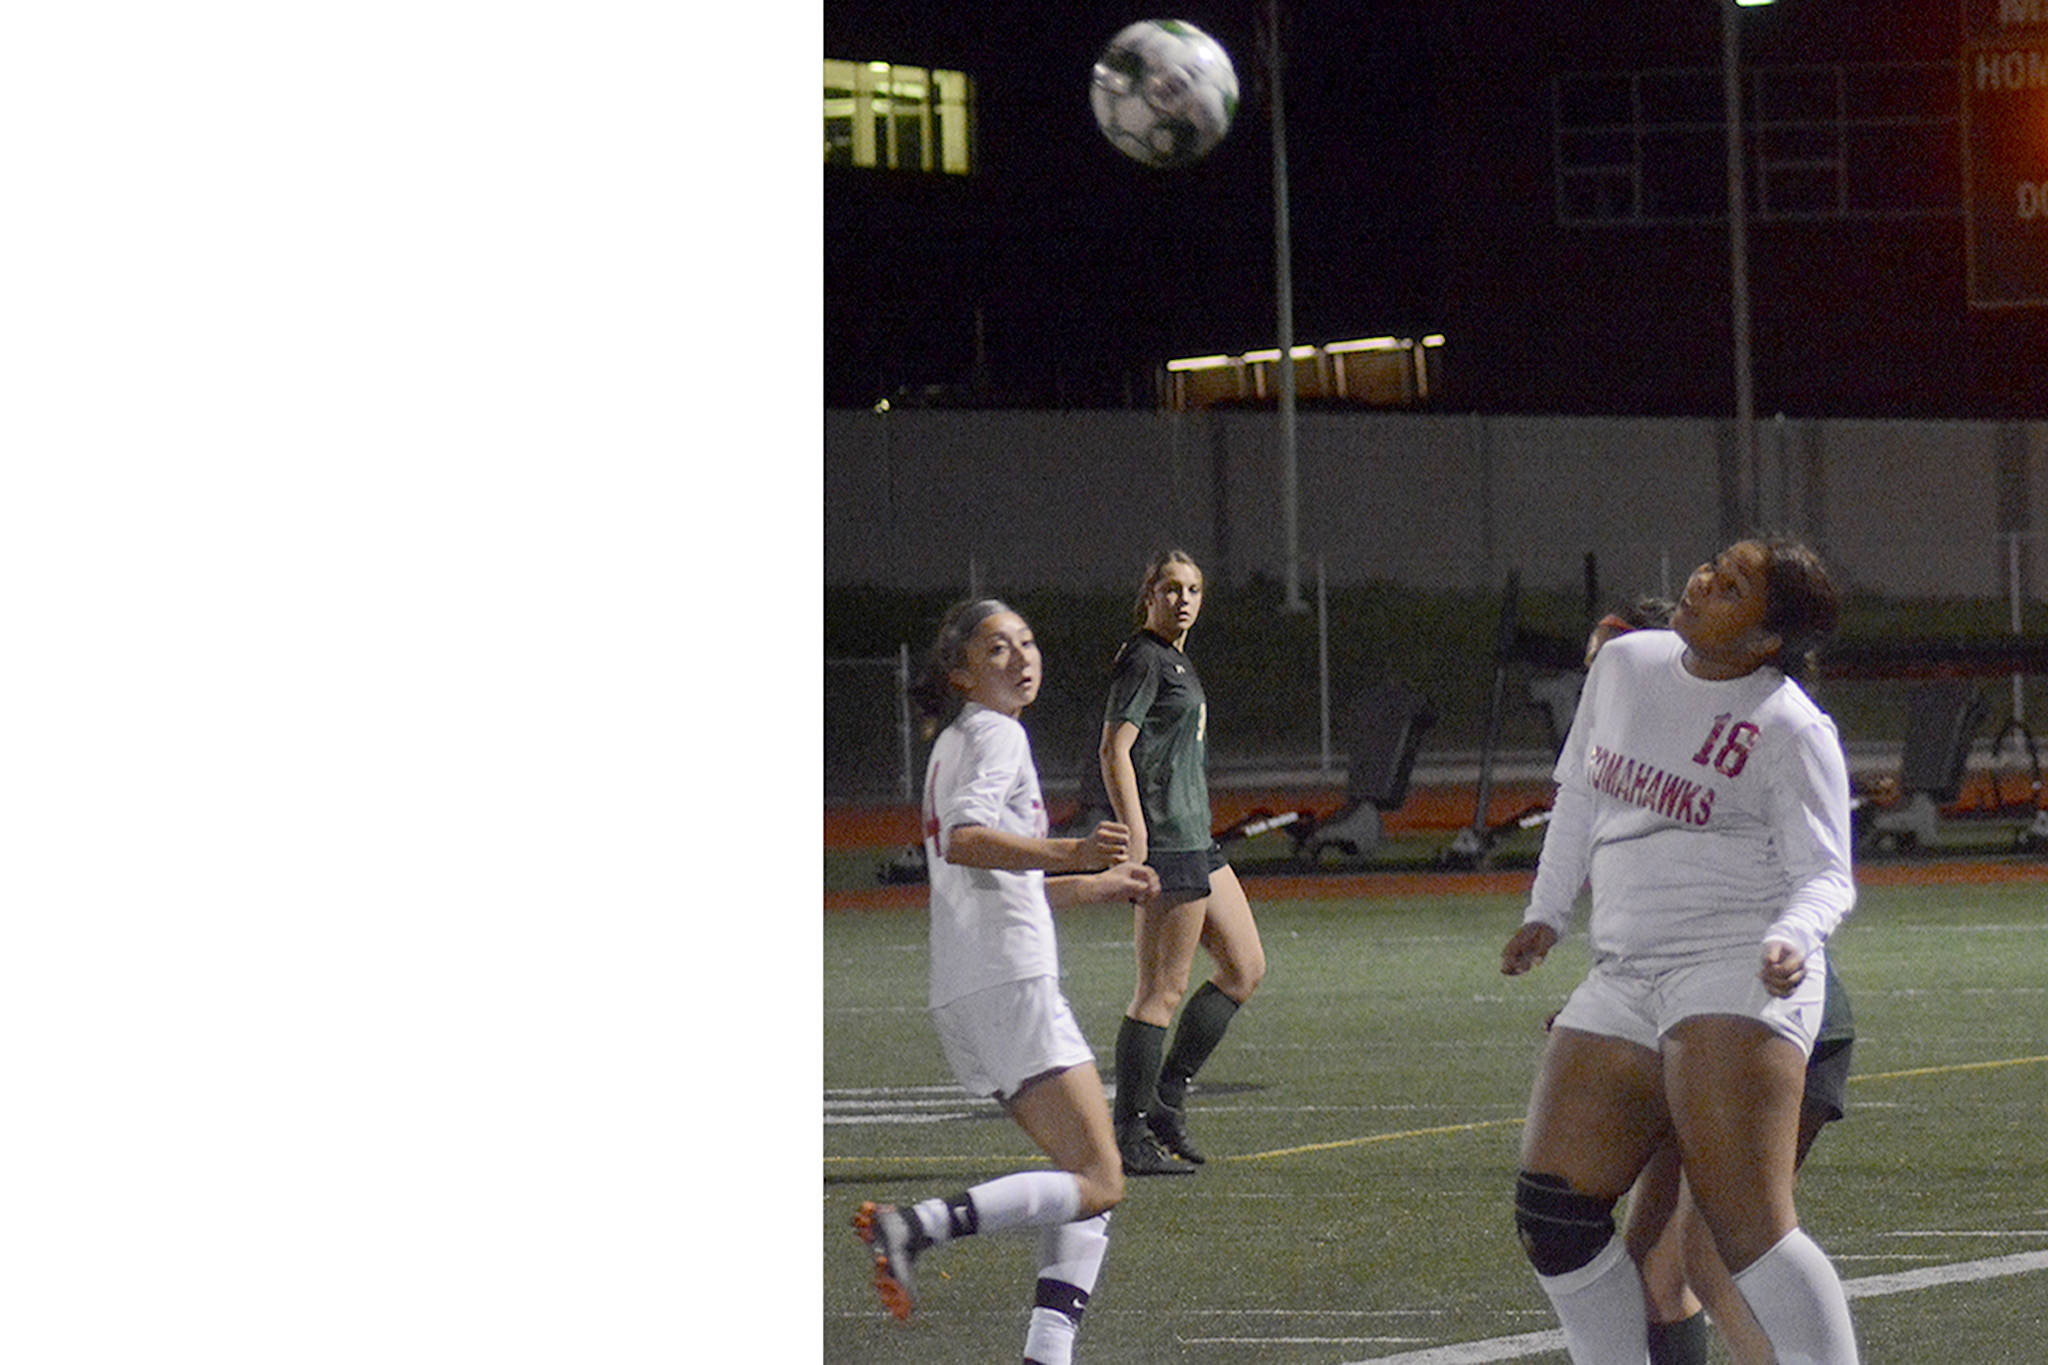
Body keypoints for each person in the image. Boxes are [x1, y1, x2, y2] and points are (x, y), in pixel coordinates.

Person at [1499, 538, 1863, 1364]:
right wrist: (1547, 911)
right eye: (1712, 567)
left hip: (1732, 968)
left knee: (1745, 1235)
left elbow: (1826, 875)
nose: (1702, 582)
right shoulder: (1625, 663)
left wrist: (1792, 935)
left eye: (1732, 587)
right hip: (1625, 969)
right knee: (1554, 1216)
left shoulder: (1790, 725)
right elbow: (1580, 790)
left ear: (1767, 638)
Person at [854, 598, 1161, 1365]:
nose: (1021, 656)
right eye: (997, 648)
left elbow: (999, 874)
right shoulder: (996, 733)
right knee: (1101, 1178)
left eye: (1026, 640)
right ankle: (915, 1225)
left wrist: (1096, 882)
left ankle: (1046, 1353)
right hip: (1008, 978)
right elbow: (967, 840)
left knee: (1082, 1177)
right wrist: (1074, 850)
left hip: (970, 984)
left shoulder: (958, 741)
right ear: (960, 673)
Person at [1099, 550, 1267, 1174]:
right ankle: (1129, 1133)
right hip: (1168, 842)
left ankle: (1166, 1098)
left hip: (1198, 839)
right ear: (1149, 594)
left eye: (1193, 589)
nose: (1184, 600)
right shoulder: (1144, 658)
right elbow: (1114, 749)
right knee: (1159, 993)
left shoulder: (1175, 657)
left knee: (1245, 967)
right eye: (1171, 589)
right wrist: (1137, 833)